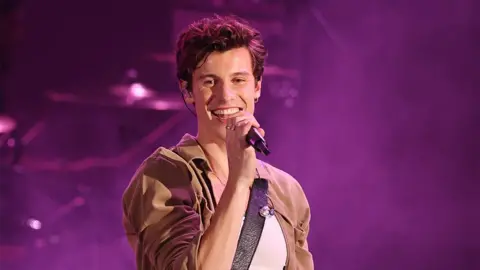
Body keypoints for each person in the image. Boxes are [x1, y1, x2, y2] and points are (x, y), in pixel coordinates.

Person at [122, 15, 314, 270]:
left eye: (238, 80)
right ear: (188, 91)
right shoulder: (163, 176)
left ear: (257, 87)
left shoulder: (286, 190)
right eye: (210, 82)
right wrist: (239, 181)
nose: (226, 96)